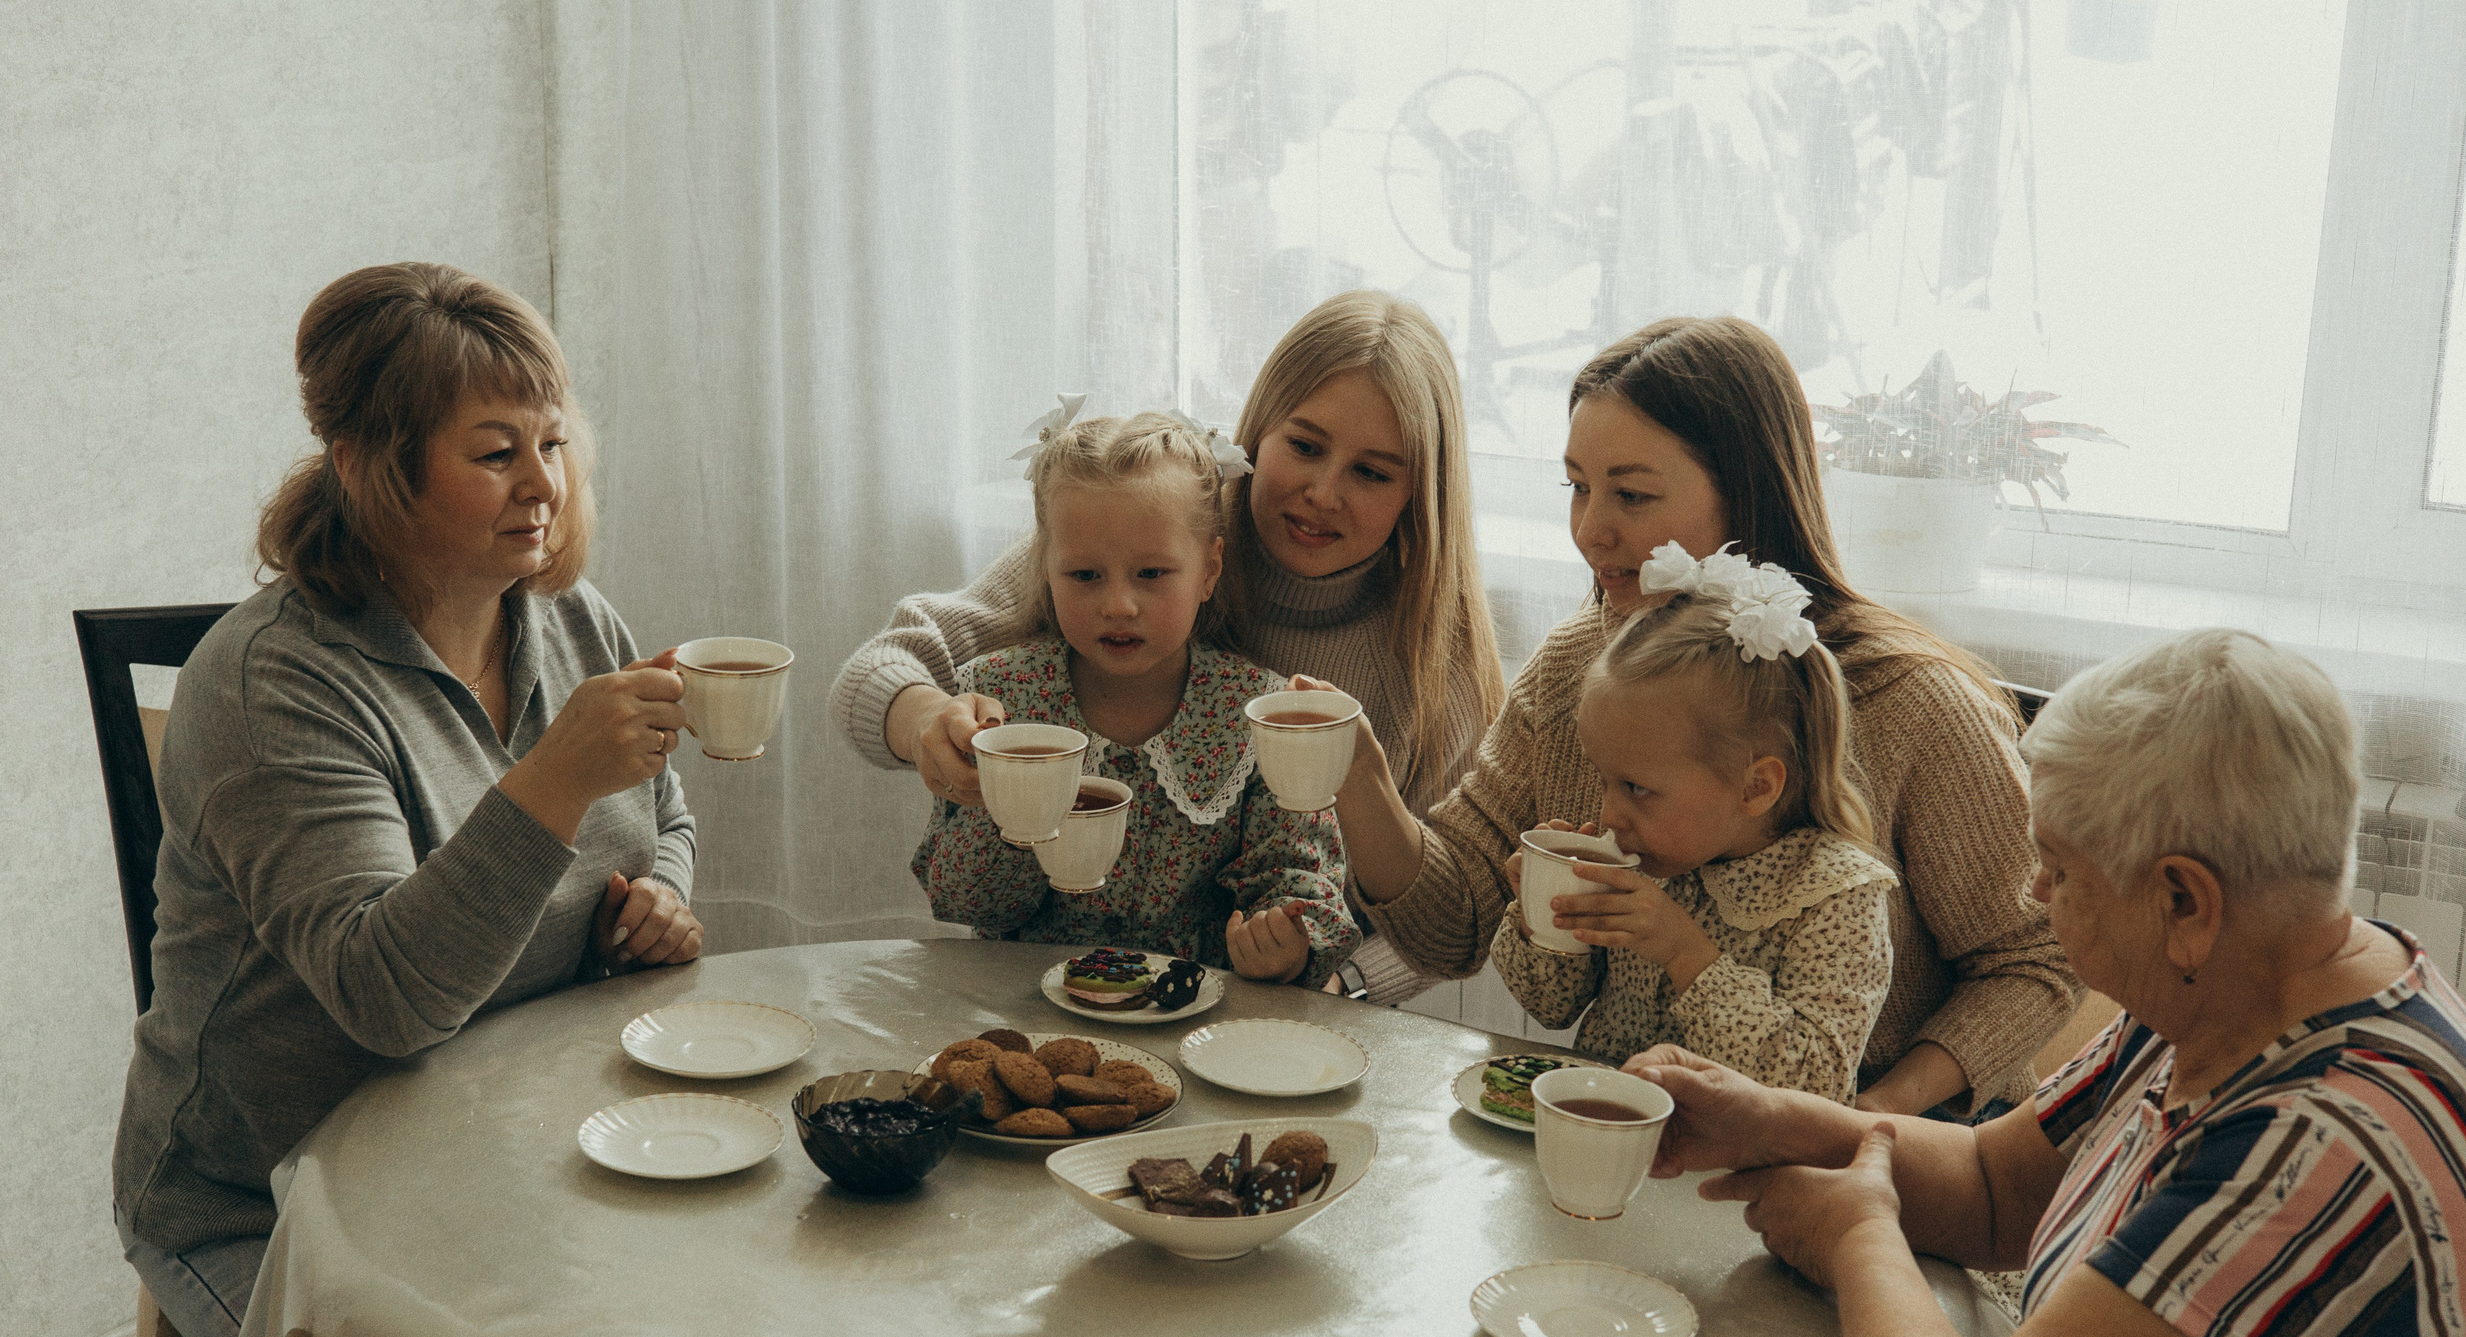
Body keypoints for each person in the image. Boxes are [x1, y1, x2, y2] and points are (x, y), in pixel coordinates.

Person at [1629, 630, 2466, 1337]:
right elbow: (1999, 1186)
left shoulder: (2324, 1142)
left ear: (2182, 901)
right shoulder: (2253, 981)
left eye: (2058, 869)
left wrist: (1854, 1235)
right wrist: (1776, 1122)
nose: (2031, 895)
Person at [113, 263, 701, 1337]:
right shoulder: (271, 685)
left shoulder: (570, 617)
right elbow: (389, 1002)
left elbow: (661, 817)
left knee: (709, 1331)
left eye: (554, 443)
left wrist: (655, 900)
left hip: (515, 1135)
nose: (544, 485)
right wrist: (554, 780)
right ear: (368, 469)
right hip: (278, 1189)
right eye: (495, 454)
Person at [1318, 316, 2079, 1114]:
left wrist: (1873, 1120)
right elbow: (1457, 925)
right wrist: (1364, 784)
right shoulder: (1582, 664)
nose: (1590, 529)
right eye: (1577, 486)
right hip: (1653, 1131)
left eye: (1631, 494)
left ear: (1745, 493)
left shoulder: (1912, 701)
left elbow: (2032, 963)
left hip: (1876, 1147)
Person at [833, 289, 1502, 1001]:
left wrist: (1339, 984)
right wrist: (924, 721)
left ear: (1419, 491)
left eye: (1372, 471)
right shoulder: (1150, 532)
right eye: (1304, 446)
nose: (1322, 492)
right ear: (1259, 433)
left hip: (1272, 1008)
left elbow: (1454, 934)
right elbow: (877, 672)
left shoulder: (1434, 655)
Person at [912, 410, 1358, 984]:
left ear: (1209, 570)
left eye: (1150, 573)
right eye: (1084, 575)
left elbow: (1300, 876)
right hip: (1026, 1007)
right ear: (1046, 569)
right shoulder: (1001, 699)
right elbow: (966, 902)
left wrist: (1285, 942)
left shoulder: (1256, 713)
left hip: (1196, 1015)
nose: (1118, 605)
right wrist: (1003, 803)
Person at [1496, 545, 1896, 1099]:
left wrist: (1686, 954)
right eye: (1605, 780)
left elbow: (1815, 1085)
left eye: (1637, 788)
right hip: (1614, 1135)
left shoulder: (1834, 897)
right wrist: (1540, 917)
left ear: (1756, 787)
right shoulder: (1649, 858)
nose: (1610, 815)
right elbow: (1551, 1007)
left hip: (1739, 1176)